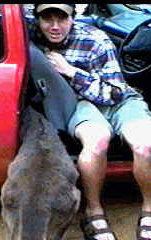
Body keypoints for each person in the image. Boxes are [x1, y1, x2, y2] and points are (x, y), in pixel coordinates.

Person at [32, 4, 151, 240]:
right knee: (96, 143)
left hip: (120, 101)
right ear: (36, 20)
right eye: (47, 19)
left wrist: (71, 71)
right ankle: (93, 212)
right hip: (80, 104)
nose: (55, 26)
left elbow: (115, 92)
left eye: (62, 18)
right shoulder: (31, 41)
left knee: (145, 145)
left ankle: (149, 209)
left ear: (73, 18)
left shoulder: (95, 39)